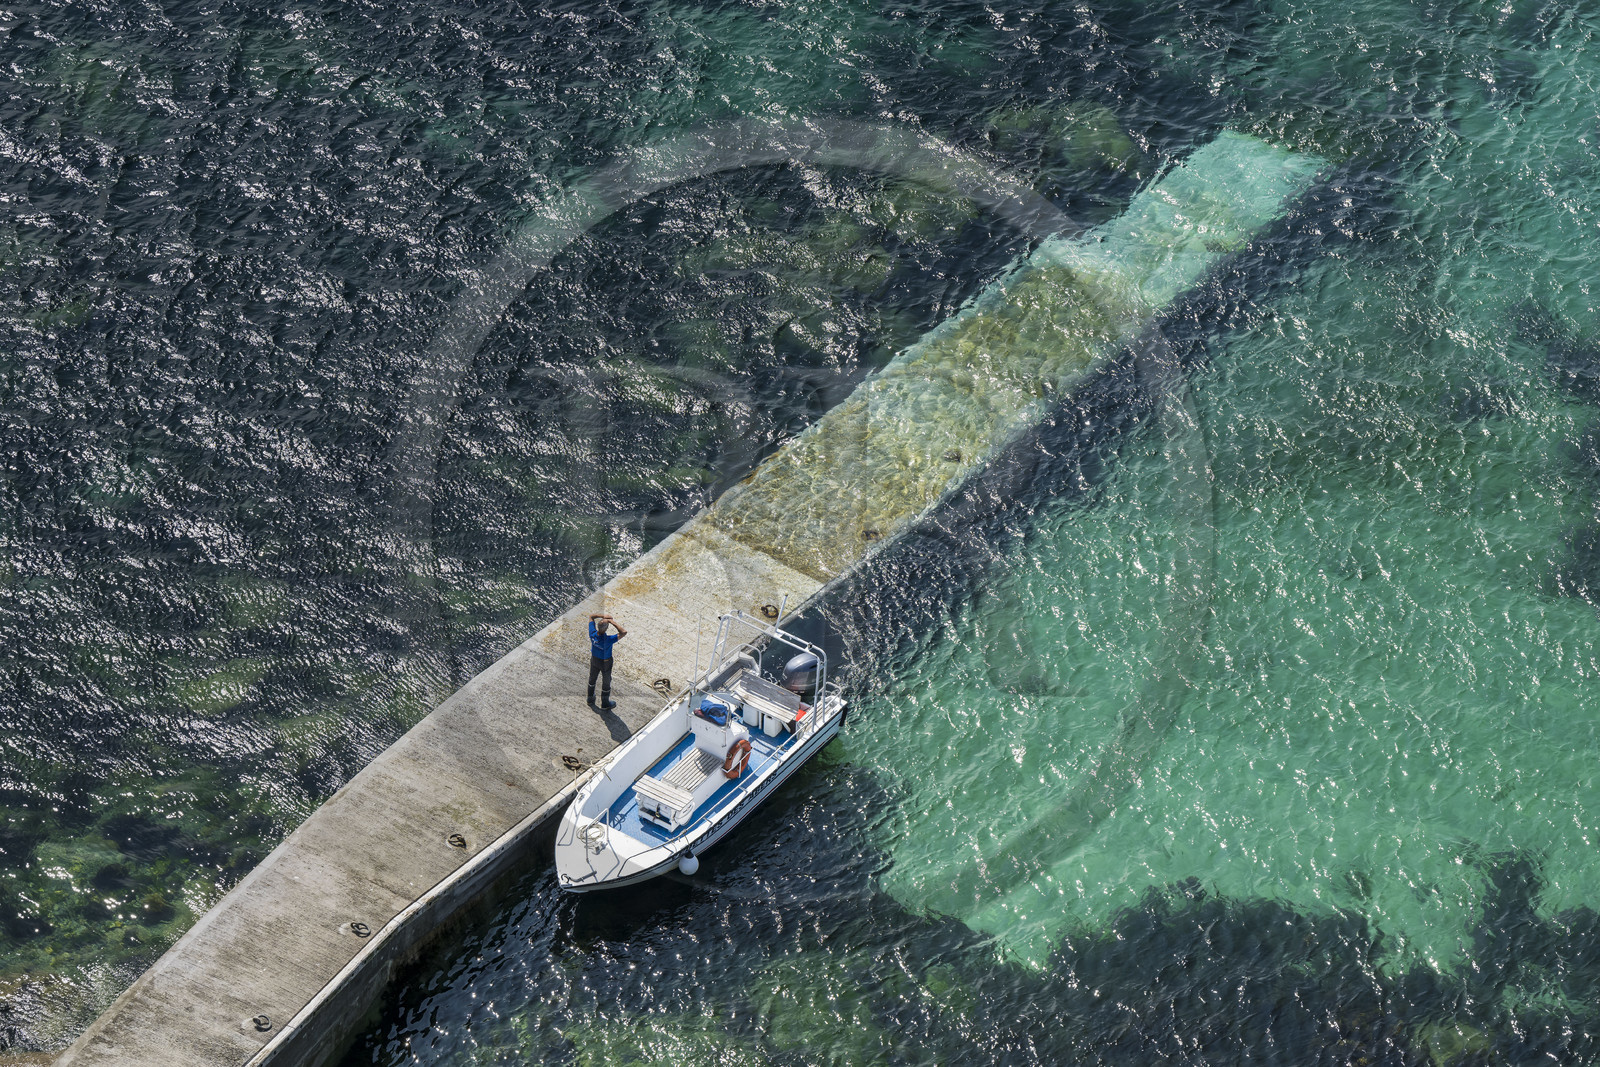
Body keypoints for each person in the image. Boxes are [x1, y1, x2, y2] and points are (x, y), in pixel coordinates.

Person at [587, 612, 627, 709]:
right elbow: (623, 632)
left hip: (594, 660)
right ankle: (605, 704)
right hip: (605, 663)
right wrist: (612, 621)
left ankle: (590, 698)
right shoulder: (608, 640)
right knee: (606, 682)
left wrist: (603, 617)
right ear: (606, 629)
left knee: (592, 678)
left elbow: (591, 616)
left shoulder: (592, 634)